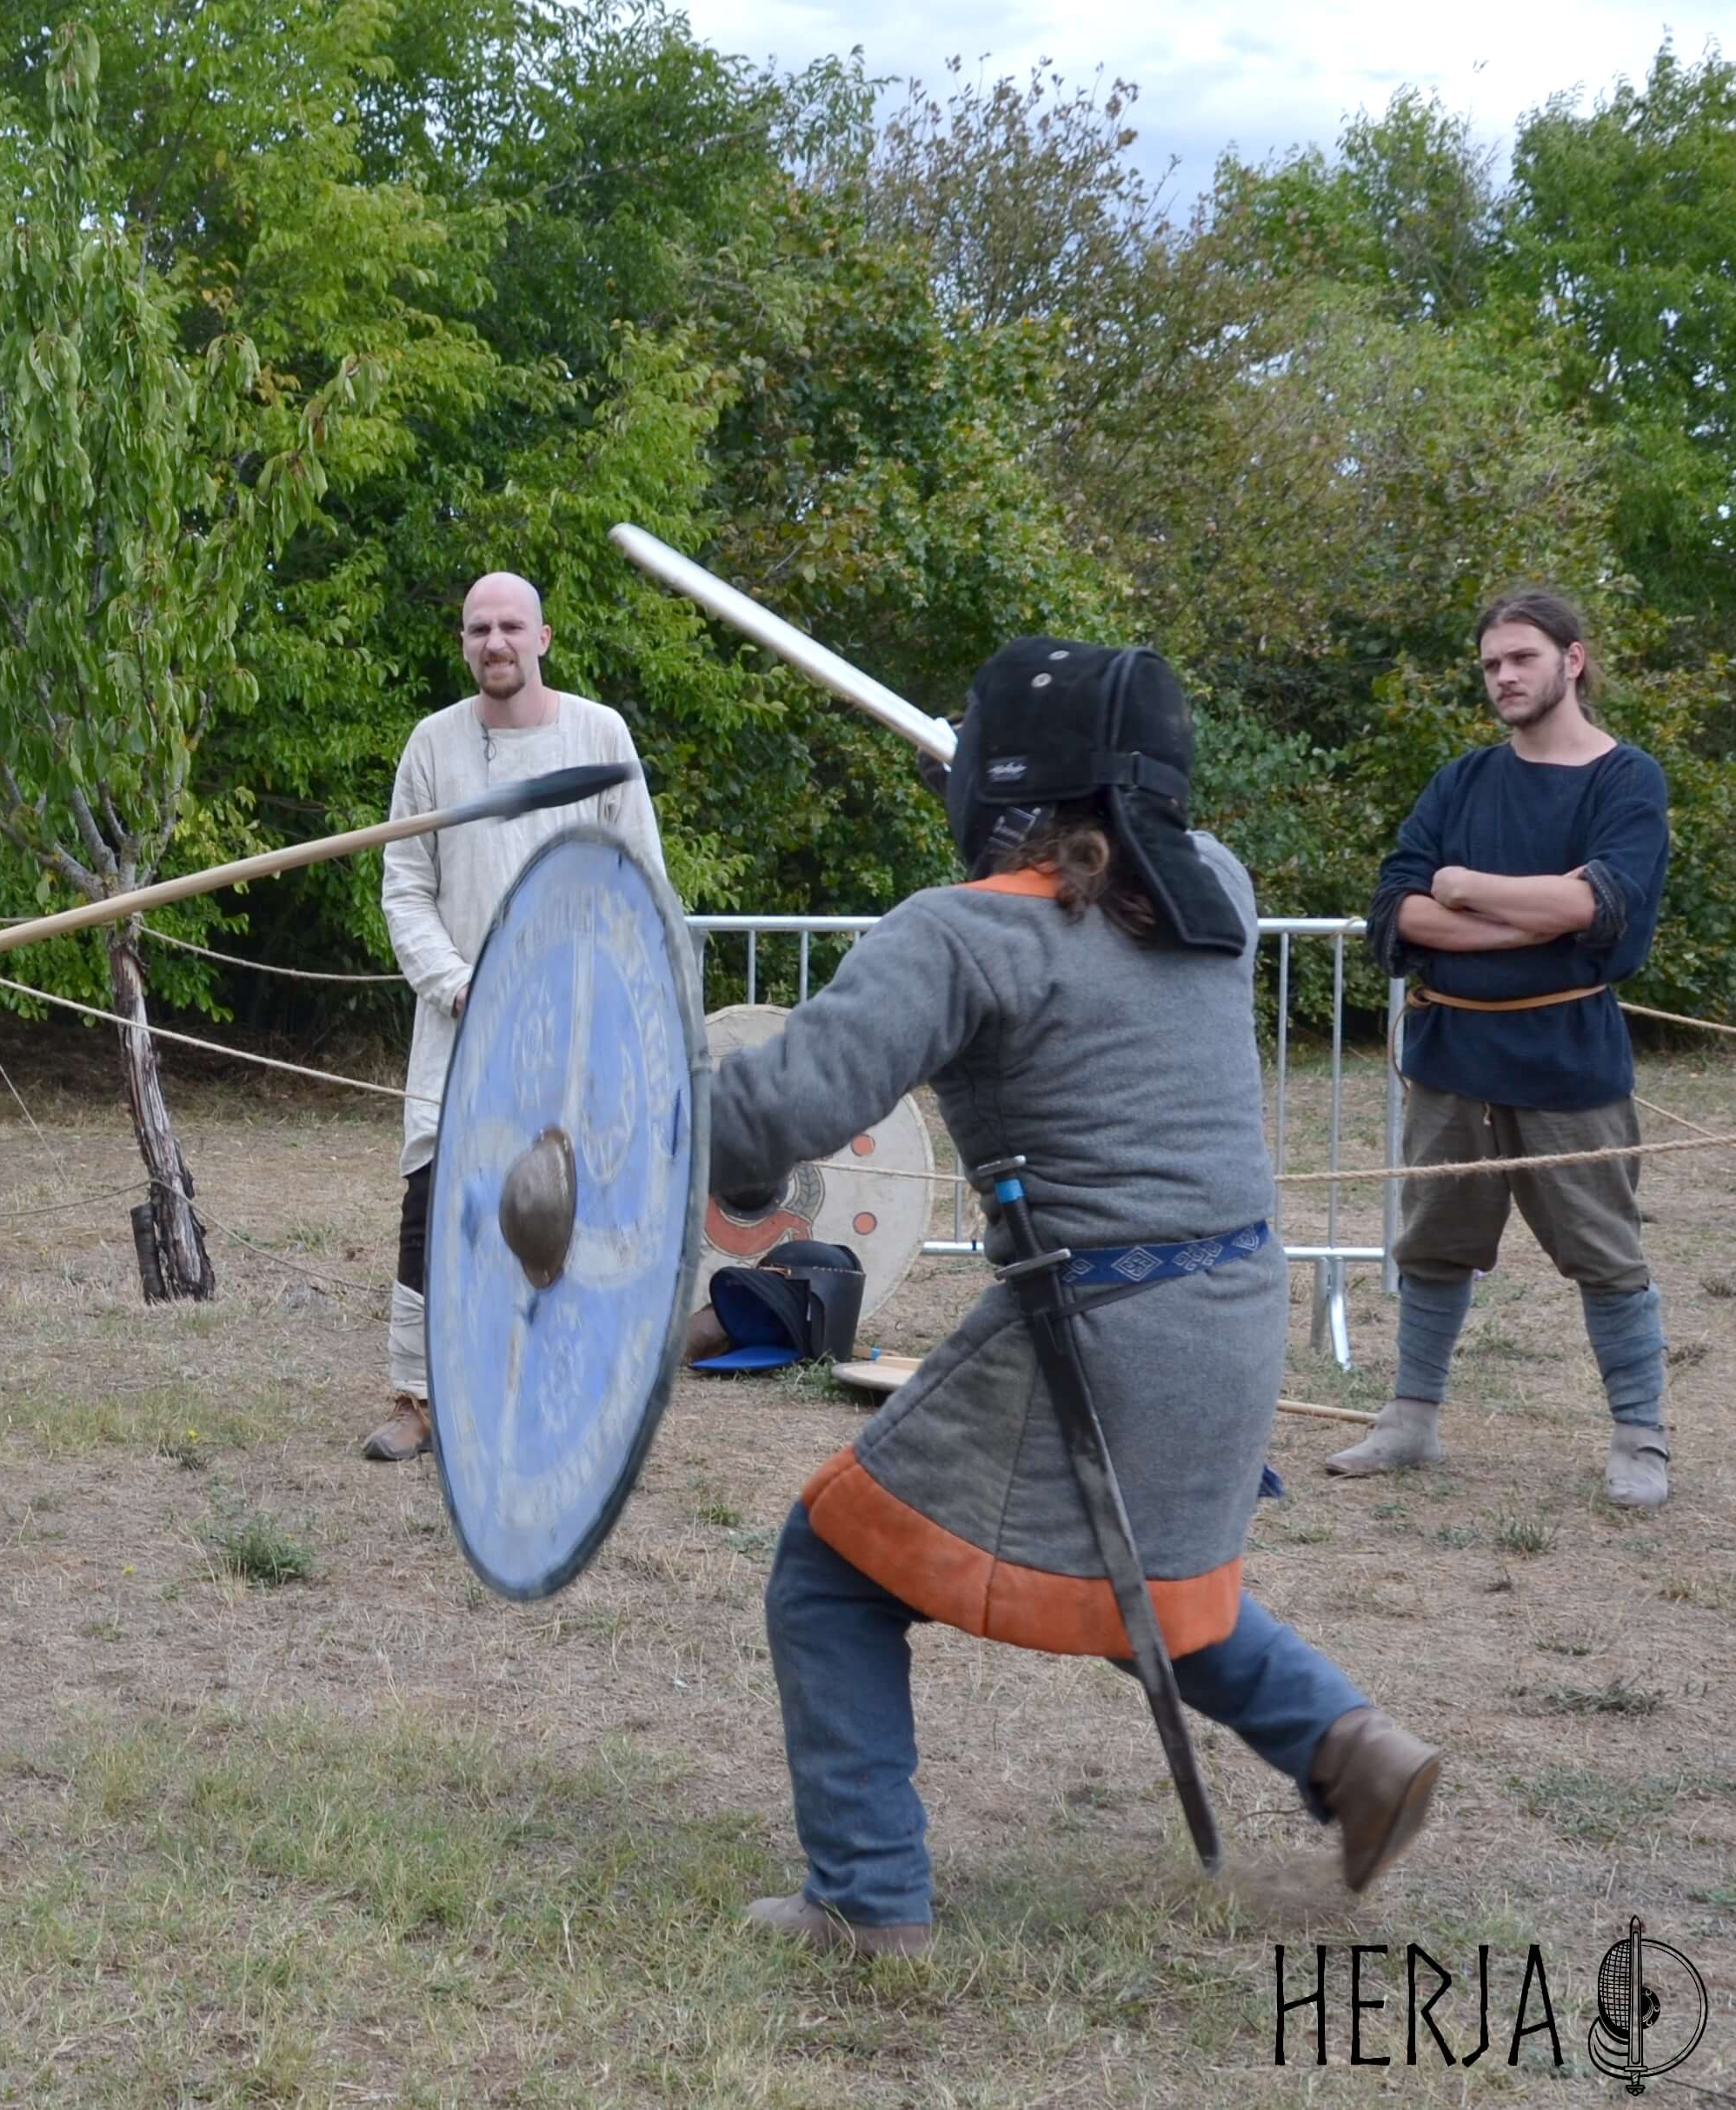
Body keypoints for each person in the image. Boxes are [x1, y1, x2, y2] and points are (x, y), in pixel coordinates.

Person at [708, 640, 1438, 1954]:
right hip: (1230, 1308)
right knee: (1137, 1570)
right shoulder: (1213, 889)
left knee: (828, 1567)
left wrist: (650, 1111)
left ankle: (865, 1900)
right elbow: (1105, 881)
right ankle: (1349, 1744)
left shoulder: (965, 933)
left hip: (1097, 1320)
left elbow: (775, 1112)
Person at [1327, 589, 1673, 1508]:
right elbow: (1397, 908)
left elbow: (1600, 904)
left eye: (1521, 657)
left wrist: (1463, 886)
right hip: (1452, 1053)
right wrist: (1528, 916)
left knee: (1606, 1250)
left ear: (1572, 659)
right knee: (1433, 1242)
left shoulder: (1626, 780)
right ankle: (1411, 1420)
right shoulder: (1461, 781)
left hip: (1568, 1056)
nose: (1504, 677)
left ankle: (1640, 1436)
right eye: (1490, 664)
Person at [370, 572, 667, 1461]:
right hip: (461, 1022)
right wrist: (459, 985)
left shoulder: (599, 735)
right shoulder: (432, 746)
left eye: (510, 626)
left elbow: (640, 878)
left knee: (568, 1209)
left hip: (576, 1027)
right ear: (464, 643)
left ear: (542, 639)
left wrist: (613, 1001)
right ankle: (417, 1399)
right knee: (437, 1206)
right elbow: (406, 888)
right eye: (478, 629)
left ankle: (560, 1397)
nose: (494, 642)